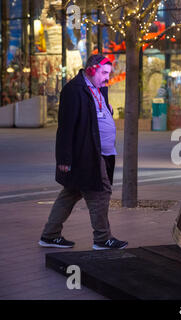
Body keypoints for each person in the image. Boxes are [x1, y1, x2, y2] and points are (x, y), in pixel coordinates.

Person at [39, 54, 128, 250]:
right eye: (104, 73)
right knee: (100, 192)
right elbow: (66, 127)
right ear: (91, 69)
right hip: (87, 154)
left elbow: (94, 113)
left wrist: (107, 111)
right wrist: (64, 158)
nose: (107, 77)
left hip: (101, 152)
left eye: (109, 73)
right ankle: (102, 238)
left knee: (70, 193)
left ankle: (50, 235)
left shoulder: (98, 89)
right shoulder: (74, 90)